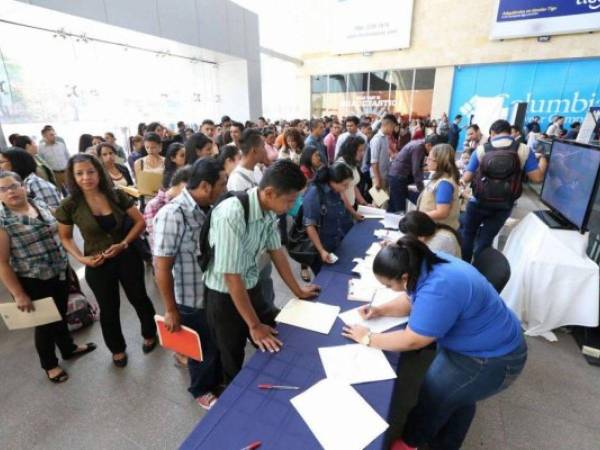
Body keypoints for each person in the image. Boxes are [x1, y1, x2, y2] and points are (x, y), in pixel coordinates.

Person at [342, 237, 527, 450]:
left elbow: (413, 340)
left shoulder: (439, 287)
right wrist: (380, 310)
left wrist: (368, 338)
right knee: (459, 396)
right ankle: (446, 441)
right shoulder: (424, 262)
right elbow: (412, 298)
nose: (388, 289)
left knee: (433, 397)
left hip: (491, 358)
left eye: (388, 285)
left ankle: (410, 443)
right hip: (485, 341)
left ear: (404, 277)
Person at [204, 160, 320, 383]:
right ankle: (231, 397)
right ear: (269, 192)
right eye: (290, 200)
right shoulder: (232, 214)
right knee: (232, 354)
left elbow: (277, 251)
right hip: (224, 297)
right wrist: (254, 325)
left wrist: (298, 291)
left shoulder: (268, 210)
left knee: (280, 332)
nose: (292, 205)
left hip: (250, 285)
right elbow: (231, 276)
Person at [55, 154, 157, 367]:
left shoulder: (116, 195)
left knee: (139, 297)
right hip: (97, 262)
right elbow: (65, 237)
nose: (86, 177)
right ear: (72, 177)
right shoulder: (70, 204)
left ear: (99, 172)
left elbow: (139, 222)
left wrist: (125, 243)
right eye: (79, 173)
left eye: (90, 171)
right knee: (108, 308)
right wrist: (82, 258)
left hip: (127, 256)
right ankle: (117, 349)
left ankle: (150, 333)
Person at [0, 171, 97, 383]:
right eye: (3, 189)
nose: (10, 192)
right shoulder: (3, 221)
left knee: (60, 313)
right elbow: (2, 263)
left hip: (59, 270)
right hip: (33, 279)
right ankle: (50, 365)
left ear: (23, 187)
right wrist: (18, 294)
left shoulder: (38, 204)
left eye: (14, 186)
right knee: (44, 323)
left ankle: (68, 348)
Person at [153, 158, 227, 410]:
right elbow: (161, 266)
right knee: (201, 349)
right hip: (191, 298)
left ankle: (217, 381)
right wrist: (171, 309)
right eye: (222, 183)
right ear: (206, 186)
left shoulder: (209, 207)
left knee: (215, 342)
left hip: (213, 292)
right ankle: (201, 389)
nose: (225, 189)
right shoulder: (172, 215)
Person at [461, 119, 547, 262]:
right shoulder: (523, 149)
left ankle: (465, 266)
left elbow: (467, 177)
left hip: (478, 202)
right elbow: (537, 178)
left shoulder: (482, 149)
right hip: (504, 205)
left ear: (493, 133)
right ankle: (480, 269)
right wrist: (543, 159)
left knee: (468, 234)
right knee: (486, 240)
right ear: (510, 132)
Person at [303, 163, 355, 275]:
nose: (346, 188)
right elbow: (310, 226)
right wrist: (321, 250)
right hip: (322, 248)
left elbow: (342, 201)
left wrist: (354, 213)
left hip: (337, 241)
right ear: (332, 181)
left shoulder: (336, 190)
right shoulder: (314, 194)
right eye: (344, 185)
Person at [388, 134, 443, 213]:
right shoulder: (418, 148)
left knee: (394, 203)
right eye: (434, 150)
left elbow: (418, 168)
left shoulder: (419, 144)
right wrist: (422, 190)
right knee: (399, 206)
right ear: (429, 145)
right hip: (398, 176)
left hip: (397, 175)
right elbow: (416, 170)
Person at [144, 166, 191, 251]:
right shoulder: (154, 205)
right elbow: (156, 239)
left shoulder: (184, 202)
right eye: (190, 187)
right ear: (182, 184)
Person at [416, 143, 461, 230]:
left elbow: (442, 212)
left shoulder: (445, 184)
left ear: (440, 161)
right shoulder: (440, 178)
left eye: (429, 159)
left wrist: (417, 217)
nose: (426, 162)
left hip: (439, 230)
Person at [336, 135, 369, 220]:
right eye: (360, 150)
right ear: (352, 150)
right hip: (343, 209)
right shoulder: (341, 165)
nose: (362, 153)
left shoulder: (352, 163)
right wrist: (353, 213)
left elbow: (353, 186)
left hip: (351, 206)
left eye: (363, 150)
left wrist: (364, 203)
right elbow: (342, 194)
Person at [370, 114, 398, 193]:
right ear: (387, 125)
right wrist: (377, 179)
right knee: (379, 203)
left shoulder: (385, 137)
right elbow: (374, 162)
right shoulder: (377, 139)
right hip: (378, 177)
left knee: (384, 202)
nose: (393, 130)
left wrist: (392, 155)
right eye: (392, 127)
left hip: (384, 175)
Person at [38, 125, 70, 190]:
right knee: (57, 192)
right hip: (54, 175)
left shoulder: (61, 145)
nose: (54, 136)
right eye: (51, 135)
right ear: (44, 136)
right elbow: (41, 163)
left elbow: (68, 157)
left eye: (54, 134)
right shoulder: (40, 148)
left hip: (66, 172)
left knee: (71, 190)